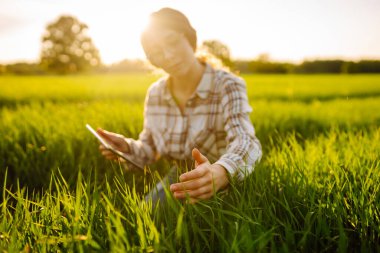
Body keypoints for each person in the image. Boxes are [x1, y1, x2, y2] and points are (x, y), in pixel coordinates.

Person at [96, 7, 262, 207]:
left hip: (226, 179)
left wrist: (221, 171)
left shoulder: (227, 85)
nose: (167, 55)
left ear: (190, 39)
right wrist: (127, 148)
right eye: (156, 53)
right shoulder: (156, 93)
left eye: (172, 42)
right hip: (180, 178)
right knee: (143, 218)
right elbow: (150, 149)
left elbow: (246, 140)